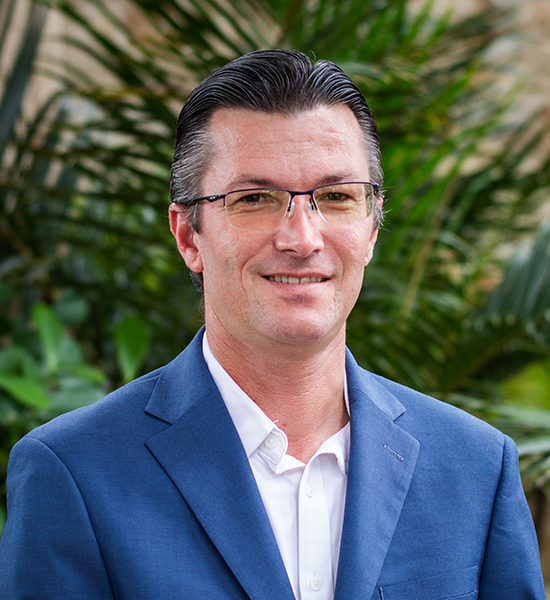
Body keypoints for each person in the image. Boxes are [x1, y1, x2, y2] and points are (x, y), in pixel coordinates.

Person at [0, 49, 545, 600]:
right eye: (255, 198)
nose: (302, 239)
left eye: (336, 197)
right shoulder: (73, 473)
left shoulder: (475, 468)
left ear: (372, 230)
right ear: (188, 236)